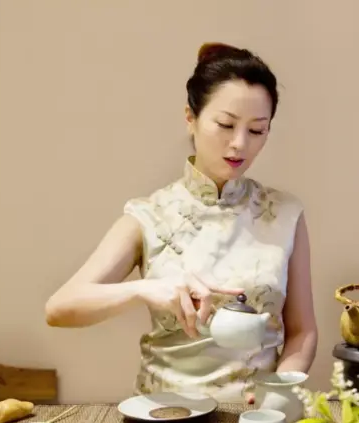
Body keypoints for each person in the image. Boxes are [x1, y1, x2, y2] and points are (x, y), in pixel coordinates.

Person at [45, 42, 318, 403]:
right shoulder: (149, 215)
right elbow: (60, 307)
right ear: (190, 117)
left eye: (257, 130)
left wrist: (280, 390)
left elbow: (302, 331)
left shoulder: (285, 214)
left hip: (258, 415)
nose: (239, 144)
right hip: (163, 416)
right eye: (225, 124)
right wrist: (142, 289)